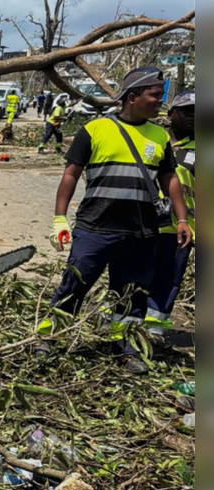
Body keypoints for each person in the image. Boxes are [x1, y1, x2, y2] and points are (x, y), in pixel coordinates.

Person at [39, 68, 193, 375]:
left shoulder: (159, 136)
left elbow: (169, 179)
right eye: (154, 95)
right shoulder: (94, 130)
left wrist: (182, 219)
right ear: (133, 97)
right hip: (95, 228)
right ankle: (48, 338)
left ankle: (124, 348)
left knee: (132, 293)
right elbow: (70, 174)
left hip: (140, 232)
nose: (159, 102)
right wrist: (60, 218)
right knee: (75, 285)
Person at [146, 91, 196, 336]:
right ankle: (121, 323)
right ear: (171, 113)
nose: (193, 117)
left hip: (180, 230)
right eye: (187, 111)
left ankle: (153, 331)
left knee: (168, 280)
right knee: (133, 274)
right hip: (142, 224)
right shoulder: (154, 140)